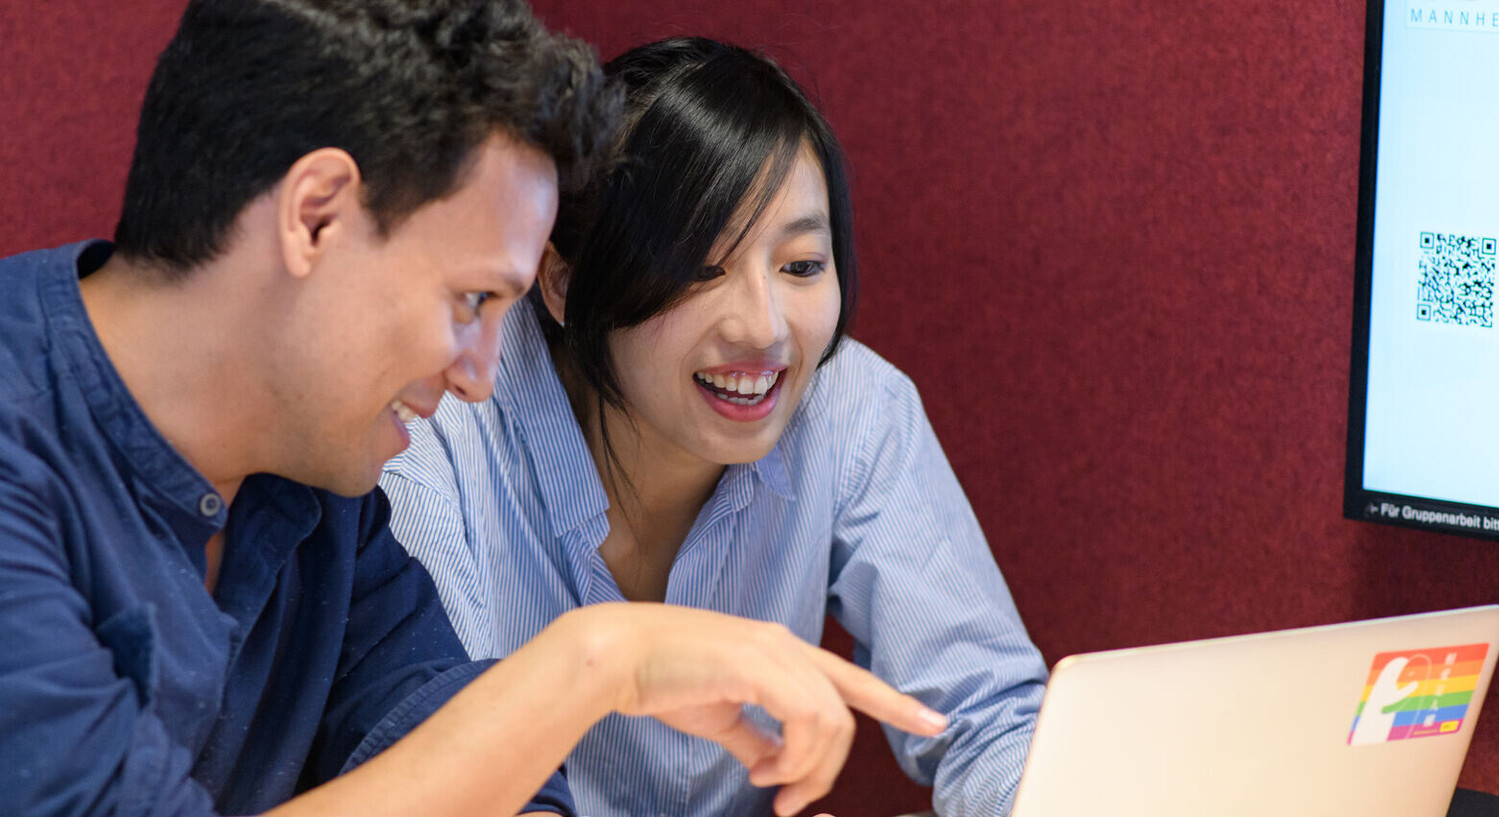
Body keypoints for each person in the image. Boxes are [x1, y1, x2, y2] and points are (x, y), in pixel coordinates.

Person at [0, 7, 947, 817]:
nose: (484, 370)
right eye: (473, 300)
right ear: (315, 216)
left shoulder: (316, 483)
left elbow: (467, 755)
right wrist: (599, 660)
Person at [380, 37, 1048, 817]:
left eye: (801, 267)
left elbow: (991, 720)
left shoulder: (850, 407)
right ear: (564, 282)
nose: (765, 330)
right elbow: (439, 777)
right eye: (702, 268)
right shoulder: (438, 429)